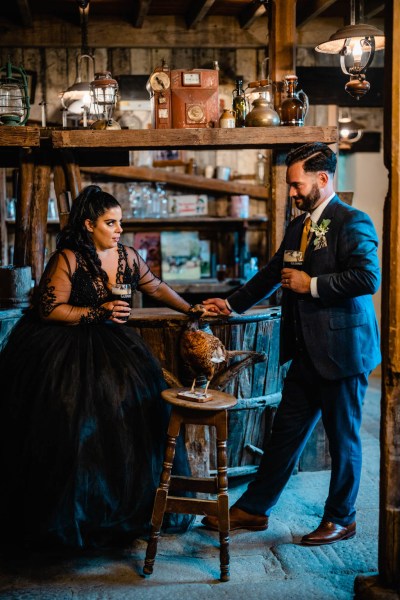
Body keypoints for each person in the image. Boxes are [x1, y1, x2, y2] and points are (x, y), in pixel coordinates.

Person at [0, 184, 201, 551]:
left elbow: (154, 286)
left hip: (116, 346)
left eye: (120, 221)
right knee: (73, 420)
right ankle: (79, 517)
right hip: (64, 346)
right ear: (90, 224)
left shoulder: (126, 255)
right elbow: (49, 309)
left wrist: (190, 309)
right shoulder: (69, 258)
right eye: (111, 222)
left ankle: (127, 511)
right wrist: (98, 311)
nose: (119, 229)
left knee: (136, 409)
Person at [202, 142, 381, 545]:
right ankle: (255, 509)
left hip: (343, 352)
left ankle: (342, 518)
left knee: (344, 439)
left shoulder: (353, 221)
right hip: (304, 353)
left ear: (322, 178)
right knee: (284, 433)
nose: (292, 193)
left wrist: (311, 285)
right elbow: (272, 271)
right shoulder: (300, 225)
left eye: (297, 185)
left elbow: (368, 279)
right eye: (290, 186)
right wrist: (231, 304)